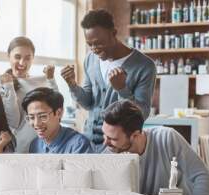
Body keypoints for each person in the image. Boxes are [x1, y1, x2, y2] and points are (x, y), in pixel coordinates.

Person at [101, 99, 209, 195]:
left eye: (112, 139)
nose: (105, 142)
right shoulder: (108, 155)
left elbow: (203, 178)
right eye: (104, 135)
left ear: (135, 135)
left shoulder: (166, 138)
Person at [61, 9, 156, 153]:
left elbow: (141, 114)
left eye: (98, 43)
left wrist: (122, 89)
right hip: (88, 143)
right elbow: (88, 103)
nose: (94, 49)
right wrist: (72, 84)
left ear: (114, 33)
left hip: (118, 146)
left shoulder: (144, 66)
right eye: (89, 44)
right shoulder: (90, 59)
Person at [0, 36, 59, 153]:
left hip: (44, 146)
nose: (22, 62)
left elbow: (57, 107)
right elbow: (14, 122)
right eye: (17, 57)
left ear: (32, 59)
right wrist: (9, 86)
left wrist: (51, 79)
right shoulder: (2, 84)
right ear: (8, 56)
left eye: (27, 58)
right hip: (18, 148)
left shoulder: (41, 80)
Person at [22, 87, 92, 154]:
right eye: (31, 117)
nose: (36, 123)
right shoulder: (35, 145)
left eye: (43, 116)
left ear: (59, 113)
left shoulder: (78, 145)